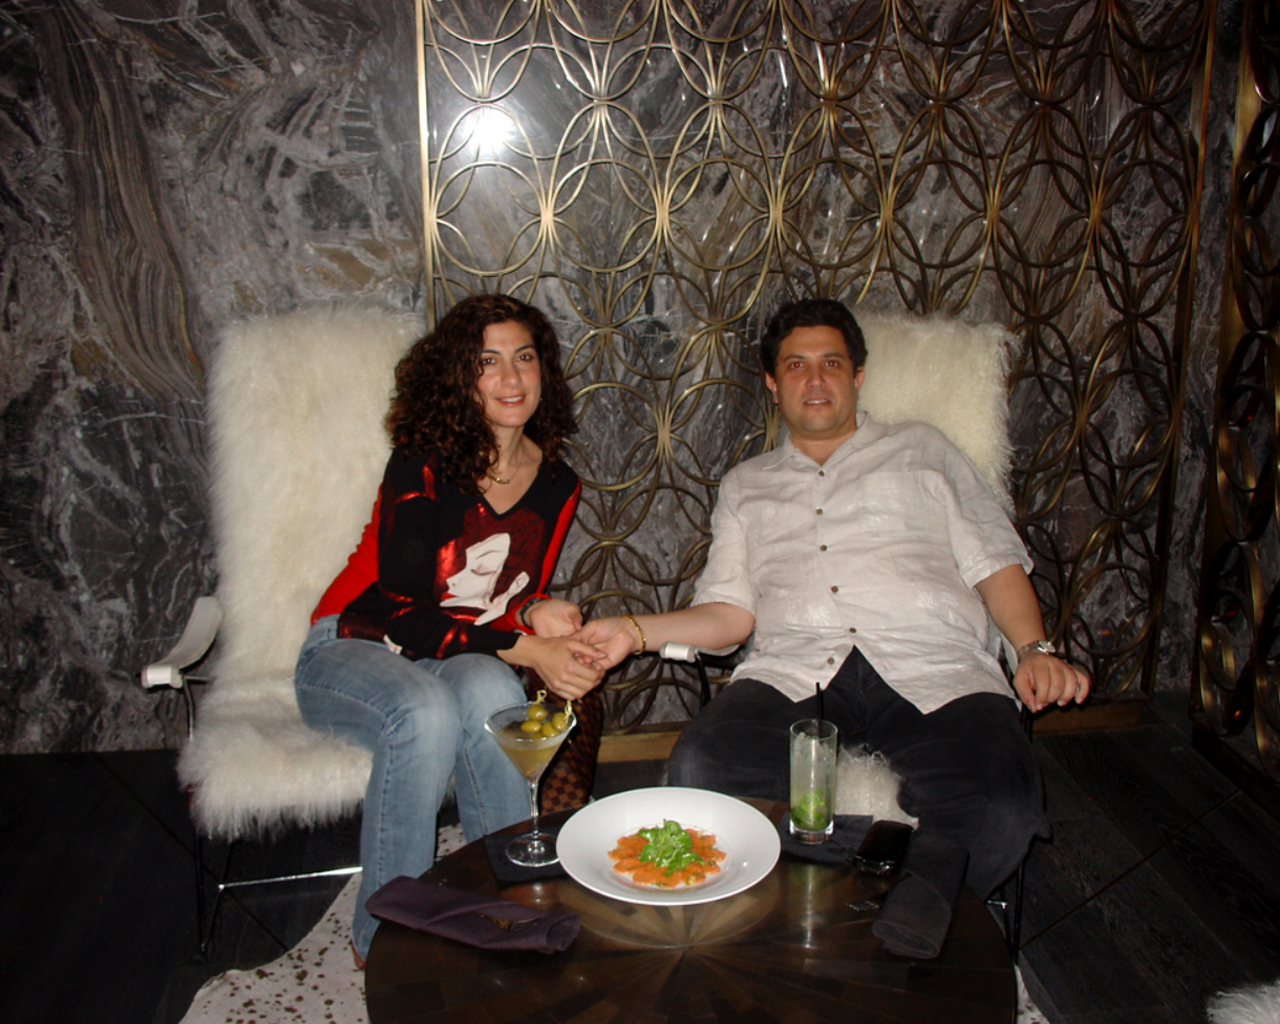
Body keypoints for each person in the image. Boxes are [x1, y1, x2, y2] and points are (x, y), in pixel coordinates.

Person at [576, 297, 1090, 956]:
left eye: (832, 363)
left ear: (858, 376)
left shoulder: (925, 450)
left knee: (1004, 805)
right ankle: (862, 897)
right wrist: (633, 630)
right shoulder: (746, 486)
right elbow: (729, 615)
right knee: (701, 765)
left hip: (934, 666)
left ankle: (881, 905)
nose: (815, 380)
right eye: (796, 365)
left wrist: (1033, 649)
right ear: (773, 382)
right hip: (796, 672)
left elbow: (994, 560)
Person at [294, 293, 604, 963]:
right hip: (354, 643)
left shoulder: (558, 482)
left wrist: (535, 610)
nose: (511, 378)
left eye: (524, 357)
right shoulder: (422, 461)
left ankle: (511, 909)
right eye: (487, 362)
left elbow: (496, 597)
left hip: (444, 653)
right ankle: (385, 940)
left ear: (544, 369)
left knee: (495, 694)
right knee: (425, 711)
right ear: (459, 377)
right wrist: (529, 644)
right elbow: (408, 614)